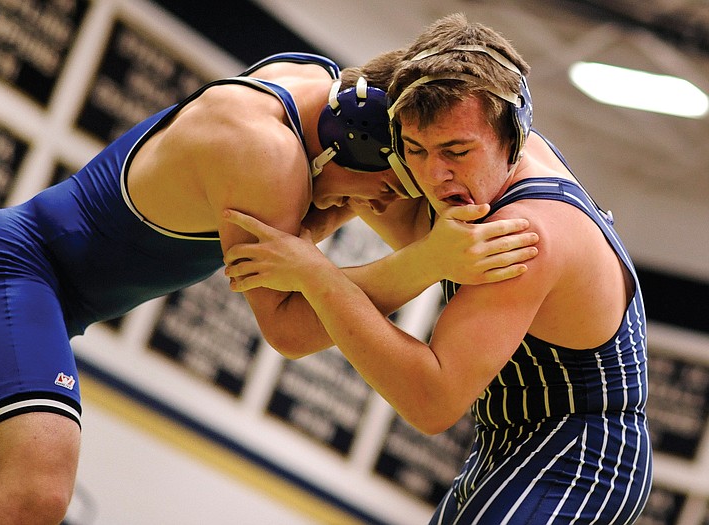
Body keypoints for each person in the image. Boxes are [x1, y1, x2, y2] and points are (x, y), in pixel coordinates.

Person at [0, 39, 541, 523]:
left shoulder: (317, 87)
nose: (384, 207)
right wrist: (430, 262)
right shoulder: (263, 153)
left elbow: (312, 233)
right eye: (395, 187)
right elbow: (289, 330)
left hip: (11, 279)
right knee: (34, 495)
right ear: (361, 148)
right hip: (11, 275)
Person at [223, 13, 652, 524]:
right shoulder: (485, 168)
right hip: (510, 440)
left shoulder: (522, 236)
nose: (435, 174)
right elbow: (386, 221)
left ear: (512, 137)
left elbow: (430, 402)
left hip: (584, 458)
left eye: (456, 151)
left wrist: (315, 273)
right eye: (416, 151)